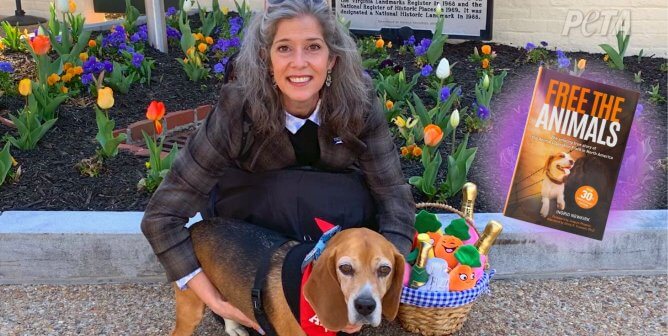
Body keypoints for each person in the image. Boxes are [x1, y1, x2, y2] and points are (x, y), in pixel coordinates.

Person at [140, 0, 415, 333]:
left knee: (349, 195)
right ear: (266, 61)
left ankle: (336, 300)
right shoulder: (236, 108)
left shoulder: (359, 104)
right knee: (279, 192)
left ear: (332, 60)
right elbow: (161, 217)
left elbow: (393, 196)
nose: (299, 63)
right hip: (256, 240)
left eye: (313, 47)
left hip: (336, 247)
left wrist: (386, 275)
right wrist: (214, 299)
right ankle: (261, 307)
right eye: (284, 48)